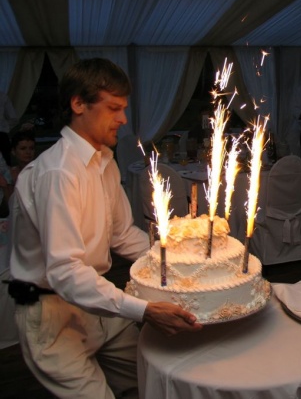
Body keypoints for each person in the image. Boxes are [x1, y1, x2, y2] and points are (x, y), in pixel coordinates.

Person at [9, 58, 203, 399]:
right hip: (52, 317)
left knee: (152, 381)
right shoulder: (58, 173)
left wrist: (175, 258)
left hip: (98, 303)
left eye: (123, 108)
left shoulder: (105, 161)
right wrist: (143, 310)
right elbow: (65, 272)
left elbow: (122, 234)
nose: (123, 119)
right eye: (114, 108)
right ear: (78, 104)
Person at [0, 90, 19, 165]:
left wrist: (4, 127)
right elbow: (13, 118)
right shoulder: (3, 96)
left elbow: (13, 118)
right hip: (2, 135)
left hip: (2, 136)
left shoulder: (3, 97)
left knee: (5, 165)